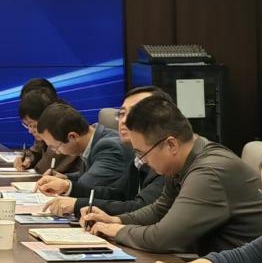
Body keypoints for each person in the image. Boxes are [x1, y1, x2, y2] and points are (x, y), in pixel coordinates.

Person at [80, 96, 262, 254]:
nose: (142, 161)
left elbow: (163, 238)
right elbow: (160, 209)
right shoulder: (184, 159)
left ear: (171, 144)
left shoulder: (209, 172)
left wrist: (117, 231)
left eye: (142, 153)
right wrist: (116, 220)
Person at [40, 86, 167, 216]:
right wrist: (68, 187)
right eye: (122, 114)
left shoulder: (165, 160)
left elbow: (142, 209)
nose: (124, 121)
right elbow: (117, 194)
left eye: (135, 113)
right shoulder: (139, 157)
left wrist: (77, 204)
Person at [33, 102, 127, 194]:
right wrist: (65, 178)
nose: (57, 152)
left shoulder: (109, 147)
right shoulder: (93, 140)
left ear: (73, 137)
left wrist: (66, 185)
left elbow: (87, 185)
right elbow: (88, 174)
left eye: (55, 147)